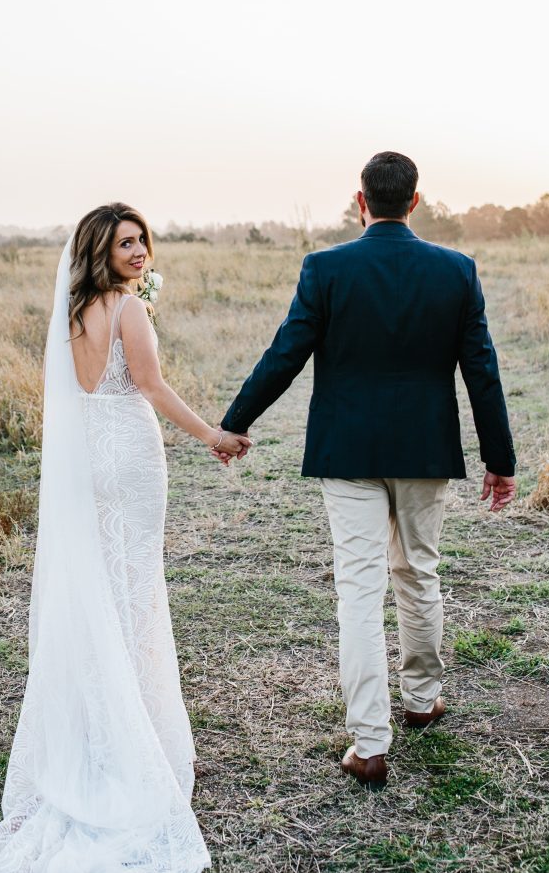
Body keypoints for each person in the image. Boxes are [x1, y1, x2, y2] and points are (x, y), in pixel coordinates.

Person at [0, 204, 250, 873]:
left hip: (86, 458)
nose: (138, 252)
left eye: (142, 241)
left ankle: (101, 726)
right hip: (127, 453)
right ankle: (133, 739)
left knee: (103, 588)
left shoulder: (74, 309)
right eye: (125, 243)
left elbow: (80, 390)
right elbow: (151, 387)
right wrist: (214, 435)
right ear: (101, 249)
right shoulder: (126, 308)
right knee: (134, 590)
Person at [221, 152, 516, 791]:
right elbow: (481, 370)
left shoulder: (326, 268)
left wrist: (236, 421)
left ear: (361, 201)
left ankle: (369, 743)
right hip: (424, 451)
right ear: (415, 201)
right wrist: (501, 461)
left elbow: (286, 353)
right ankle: (421, 699)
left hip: (347, 450)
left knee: (358, 588)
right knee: (418, 570)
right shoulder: (456, 271)